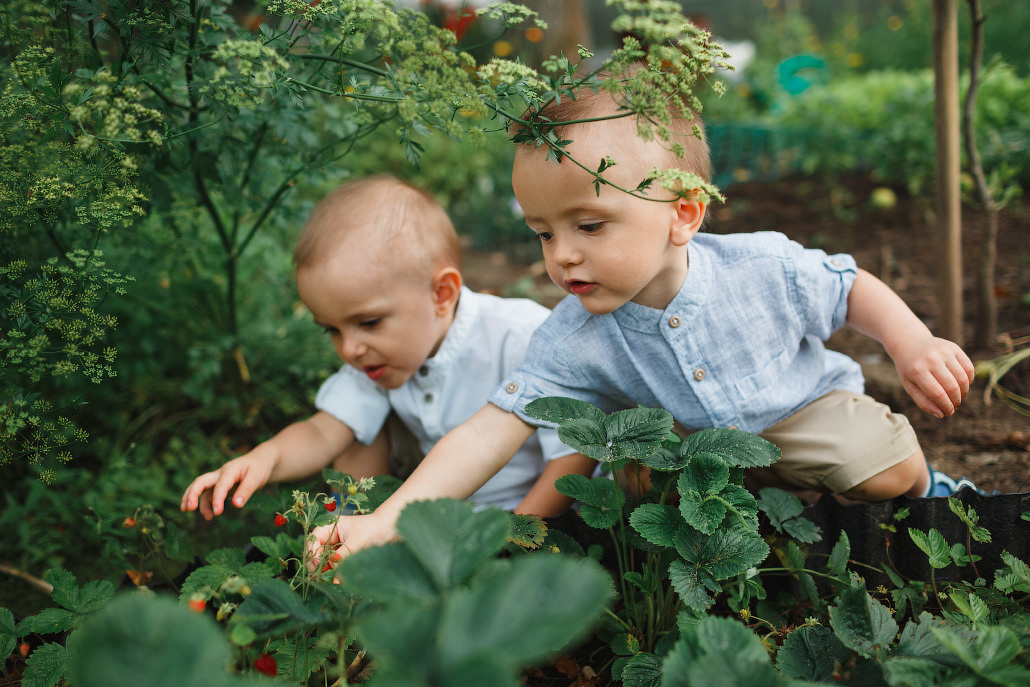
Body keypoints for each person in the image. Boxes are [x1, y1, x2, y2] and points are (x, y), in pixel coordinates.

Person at [310, 82, 978, 559]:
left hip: (800, 411)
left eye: (590, 224)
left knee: (881, 469)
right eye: (543, 233)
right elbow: (490, 427)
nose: (563, 253)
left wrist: (912, 342)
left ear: (683, 213)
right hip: (692, 449)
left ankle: (930, 490)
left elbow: (847, 286)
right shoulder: (571, 334)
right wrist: (388, 520)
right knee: (635, 493)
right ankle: (751, 536)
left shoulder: (759, 265)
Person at [180, 175, 597, 521]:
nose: (350, 349)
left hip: (542, 518)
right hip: (444, 521)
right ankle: (346, 536)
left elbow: (571, 458)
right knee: (352, 433)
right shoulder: (377, 362)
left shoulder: (519, 337)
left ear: (441, 293)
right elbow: (323, 431)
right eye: (332, 331)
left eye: (368, 322)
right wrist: (263, 459)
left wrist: (516, 538)